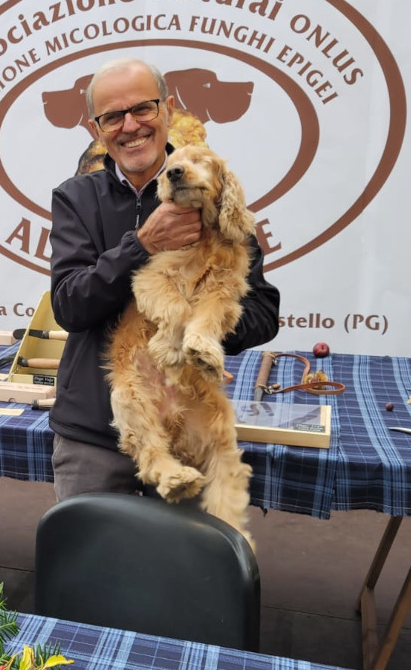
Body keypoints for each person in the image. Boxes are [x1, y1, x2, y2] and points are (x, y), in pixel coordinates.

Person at [48, 57, 280, 500]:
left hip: (187, 429)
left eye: (143, 109)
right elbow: (70, 307)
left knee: (184, 569)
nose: (130, 126)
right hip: (94, 435)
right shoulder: (76, 198)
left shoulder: (213, 187)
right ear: (98, 128)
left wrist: (202, 331)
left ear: (169, 109)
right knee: (88, 566)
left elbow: (263, 314)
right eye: (112, 116)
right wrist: (142, 245)